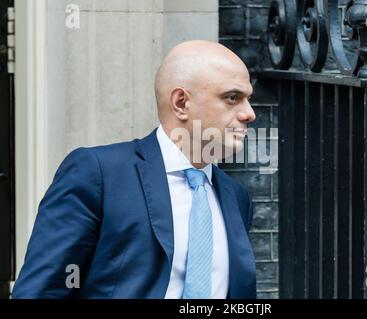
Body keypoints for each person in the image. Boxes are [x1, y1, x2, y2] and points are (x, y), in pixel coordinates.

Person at [12, 40, 257, 299]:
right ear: (181, 103)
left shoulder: (236, 197)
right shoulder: (99, 174)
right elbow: (41, 291)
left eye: (248, 99)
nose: (249, 113)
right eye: (233, 98)